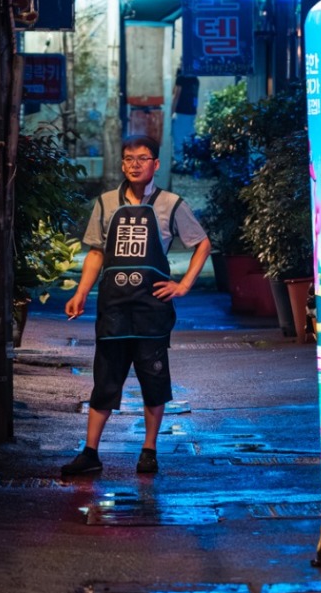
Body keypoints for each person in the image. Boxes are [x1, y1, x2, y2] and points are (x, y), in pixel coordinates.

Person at [60, 136, 210, 477]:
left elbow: (202, 243)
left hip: (151, 309)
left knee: (152, 380)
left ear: (155, 164)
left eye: (142, 158)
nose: (135, 164)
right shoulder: (105, 203)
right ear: (123, 164)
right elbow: (96, 252)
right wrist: (81, 292)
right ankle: (90, 452)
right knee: (106, 380)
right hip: (113, 308)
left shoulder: (171, 204)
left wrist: (183, 284)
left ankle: (149, 450)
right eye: (129, 159)